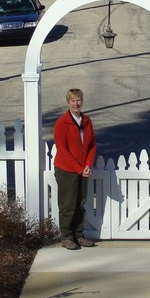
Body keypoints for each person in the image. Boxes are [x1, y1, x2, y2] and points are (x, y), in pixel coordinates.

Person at [53, 88, 97, 250]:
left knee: (81, 203)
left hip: (82, 170)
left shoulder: (87, 121)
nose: (76, 103)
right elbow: (63, 150)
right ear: (68, 103)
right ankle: (66, 237)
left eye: (78, 100)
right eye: (73, 101)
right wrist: (79, 169)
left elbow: (92, 145)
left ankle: (79, 235)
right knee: (68, 205)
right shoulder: (62, 123)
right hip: (67, 170)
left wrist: (88, 165)